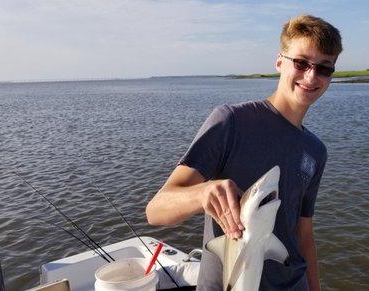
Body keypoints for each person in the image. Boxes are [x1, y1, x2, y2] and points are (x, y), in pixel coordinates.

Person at [146, 14, 342, 291]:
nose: (311, 76)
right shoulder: (232, 121)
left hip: (294, 283)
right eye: (301, 63)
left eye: (325, 68)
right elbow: (156, 211)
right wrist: (202, 193)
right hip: (227, 283)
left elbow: (304, 232)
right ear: (279, 62)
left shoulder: (316, 150)